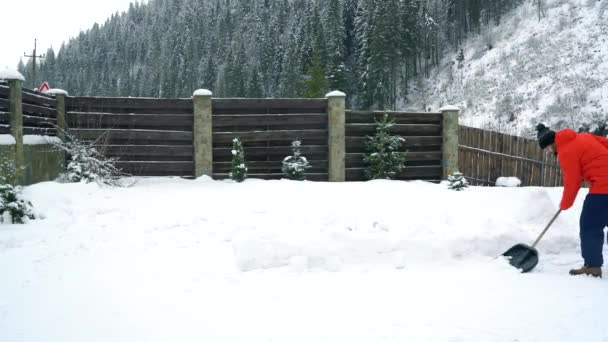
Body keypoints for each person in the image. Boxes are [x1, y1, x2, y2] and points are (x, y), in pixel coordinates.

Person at [536, 124, 608, 277]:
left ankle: (592, 266)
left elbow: (572, 181)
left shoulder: (566, 151)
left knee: (590, 226)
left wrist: (565, 203)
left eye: (548, 149)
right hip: (603, 185)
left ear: (553, 142)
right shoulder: (584, 136)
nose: (549, 153)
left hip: (603, 187)